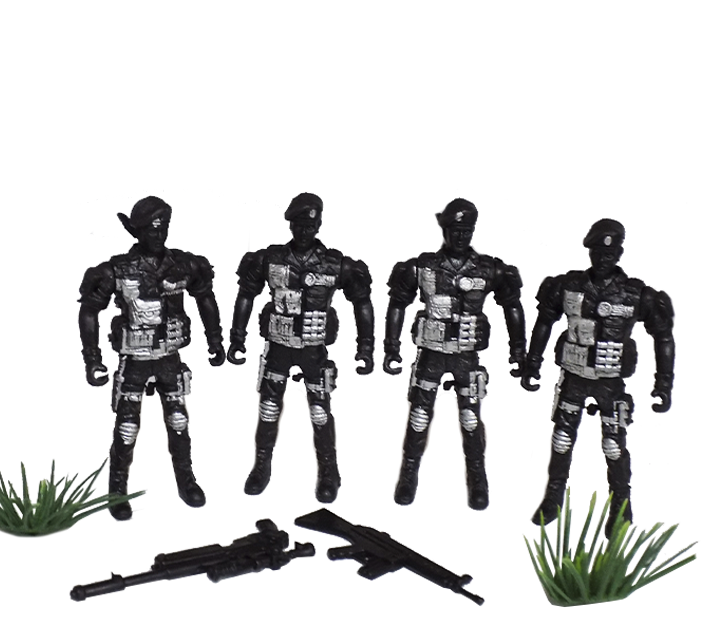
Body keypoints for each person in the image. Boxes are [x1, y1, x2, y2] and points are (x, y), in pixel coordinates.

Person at [521, 218, 675, 533]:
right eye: (598, 252)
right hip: (573, 378)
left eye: (610, 252)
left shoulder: (636, 294)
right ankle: (553, 498)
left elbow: (663, 336)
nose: (604, 258)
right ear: (589, 251)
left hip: (610, 383)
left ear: (619, 253)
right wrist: (532, 362)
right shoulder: (568, 285)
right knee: (561, 440)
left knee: (613, 445)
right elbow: (544, 321)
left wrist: (663, 383)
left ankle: (621, 505)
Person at [78, 196, 225, 519]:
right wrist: (93, 358)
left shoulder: (184, 264)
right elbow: (89, 311)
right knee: (127, 427)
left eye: (163, 228)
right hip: (135, 360)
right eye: (151, 229)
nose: (158, 235)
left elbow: (205, 297)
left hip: (170, 358)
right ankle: (117, 491)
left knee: (179, 421)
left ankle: (186, 481)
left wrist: (215, 339)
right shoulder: (118, 269)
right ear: (137, 231)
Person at [227, 192, 374, 502]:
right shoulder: (270, 259)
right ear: (290, 225)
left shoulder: (335, 264)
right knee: (268, 410)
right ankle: (261, 467)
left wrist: (366, 346)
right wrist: (237, 337)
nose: (304, 231)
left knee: (320, 412)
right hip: (278, 347)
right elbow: (246, 295)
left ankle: (329, 471)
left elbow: (362, 301)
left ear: (319, 226)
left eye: (309, 226)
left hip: (313, 350)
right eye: (298, 225)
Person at [384, 198, 526, 509]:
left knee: (470, 420)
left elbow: (512, 305)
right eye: (455, 230)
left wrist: (519, 351)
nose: (461, 236)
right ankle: (408, 476)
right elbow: (398, 303)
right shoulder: (423, 267)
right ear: (445, 229)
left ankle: (478, 480)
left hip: (466, 357)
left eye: (467, 230)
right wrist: (391, 347)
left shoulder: (488, 269)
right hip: (431, 355)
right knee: (419, 417)